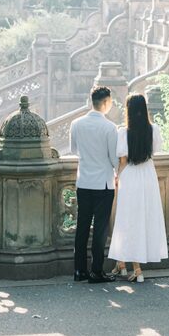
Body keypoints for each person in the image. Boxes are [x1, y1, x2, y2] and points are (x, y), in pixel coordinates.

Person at [109, 92, 168, 283]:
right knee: (143, 219)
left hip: (131, 176)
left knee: (128, 220)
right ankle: (122, 264)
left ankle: (137, 269)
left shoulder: (123, 132)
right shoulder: (154, 130)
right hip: (148, 176)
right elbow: (154, 152)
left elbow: (123, 160)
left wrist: (118, 177)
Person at [69, 84, 118, 284]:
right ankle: (97, 270)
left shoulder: (76, 124)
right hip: (104, 184)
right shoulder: (109, 127)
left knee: (81, 226)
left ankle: (80, 270)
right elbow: (114, 159)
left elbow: (74, 151)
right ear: (106, 103)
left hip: (84, 181)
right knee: (100, 229)